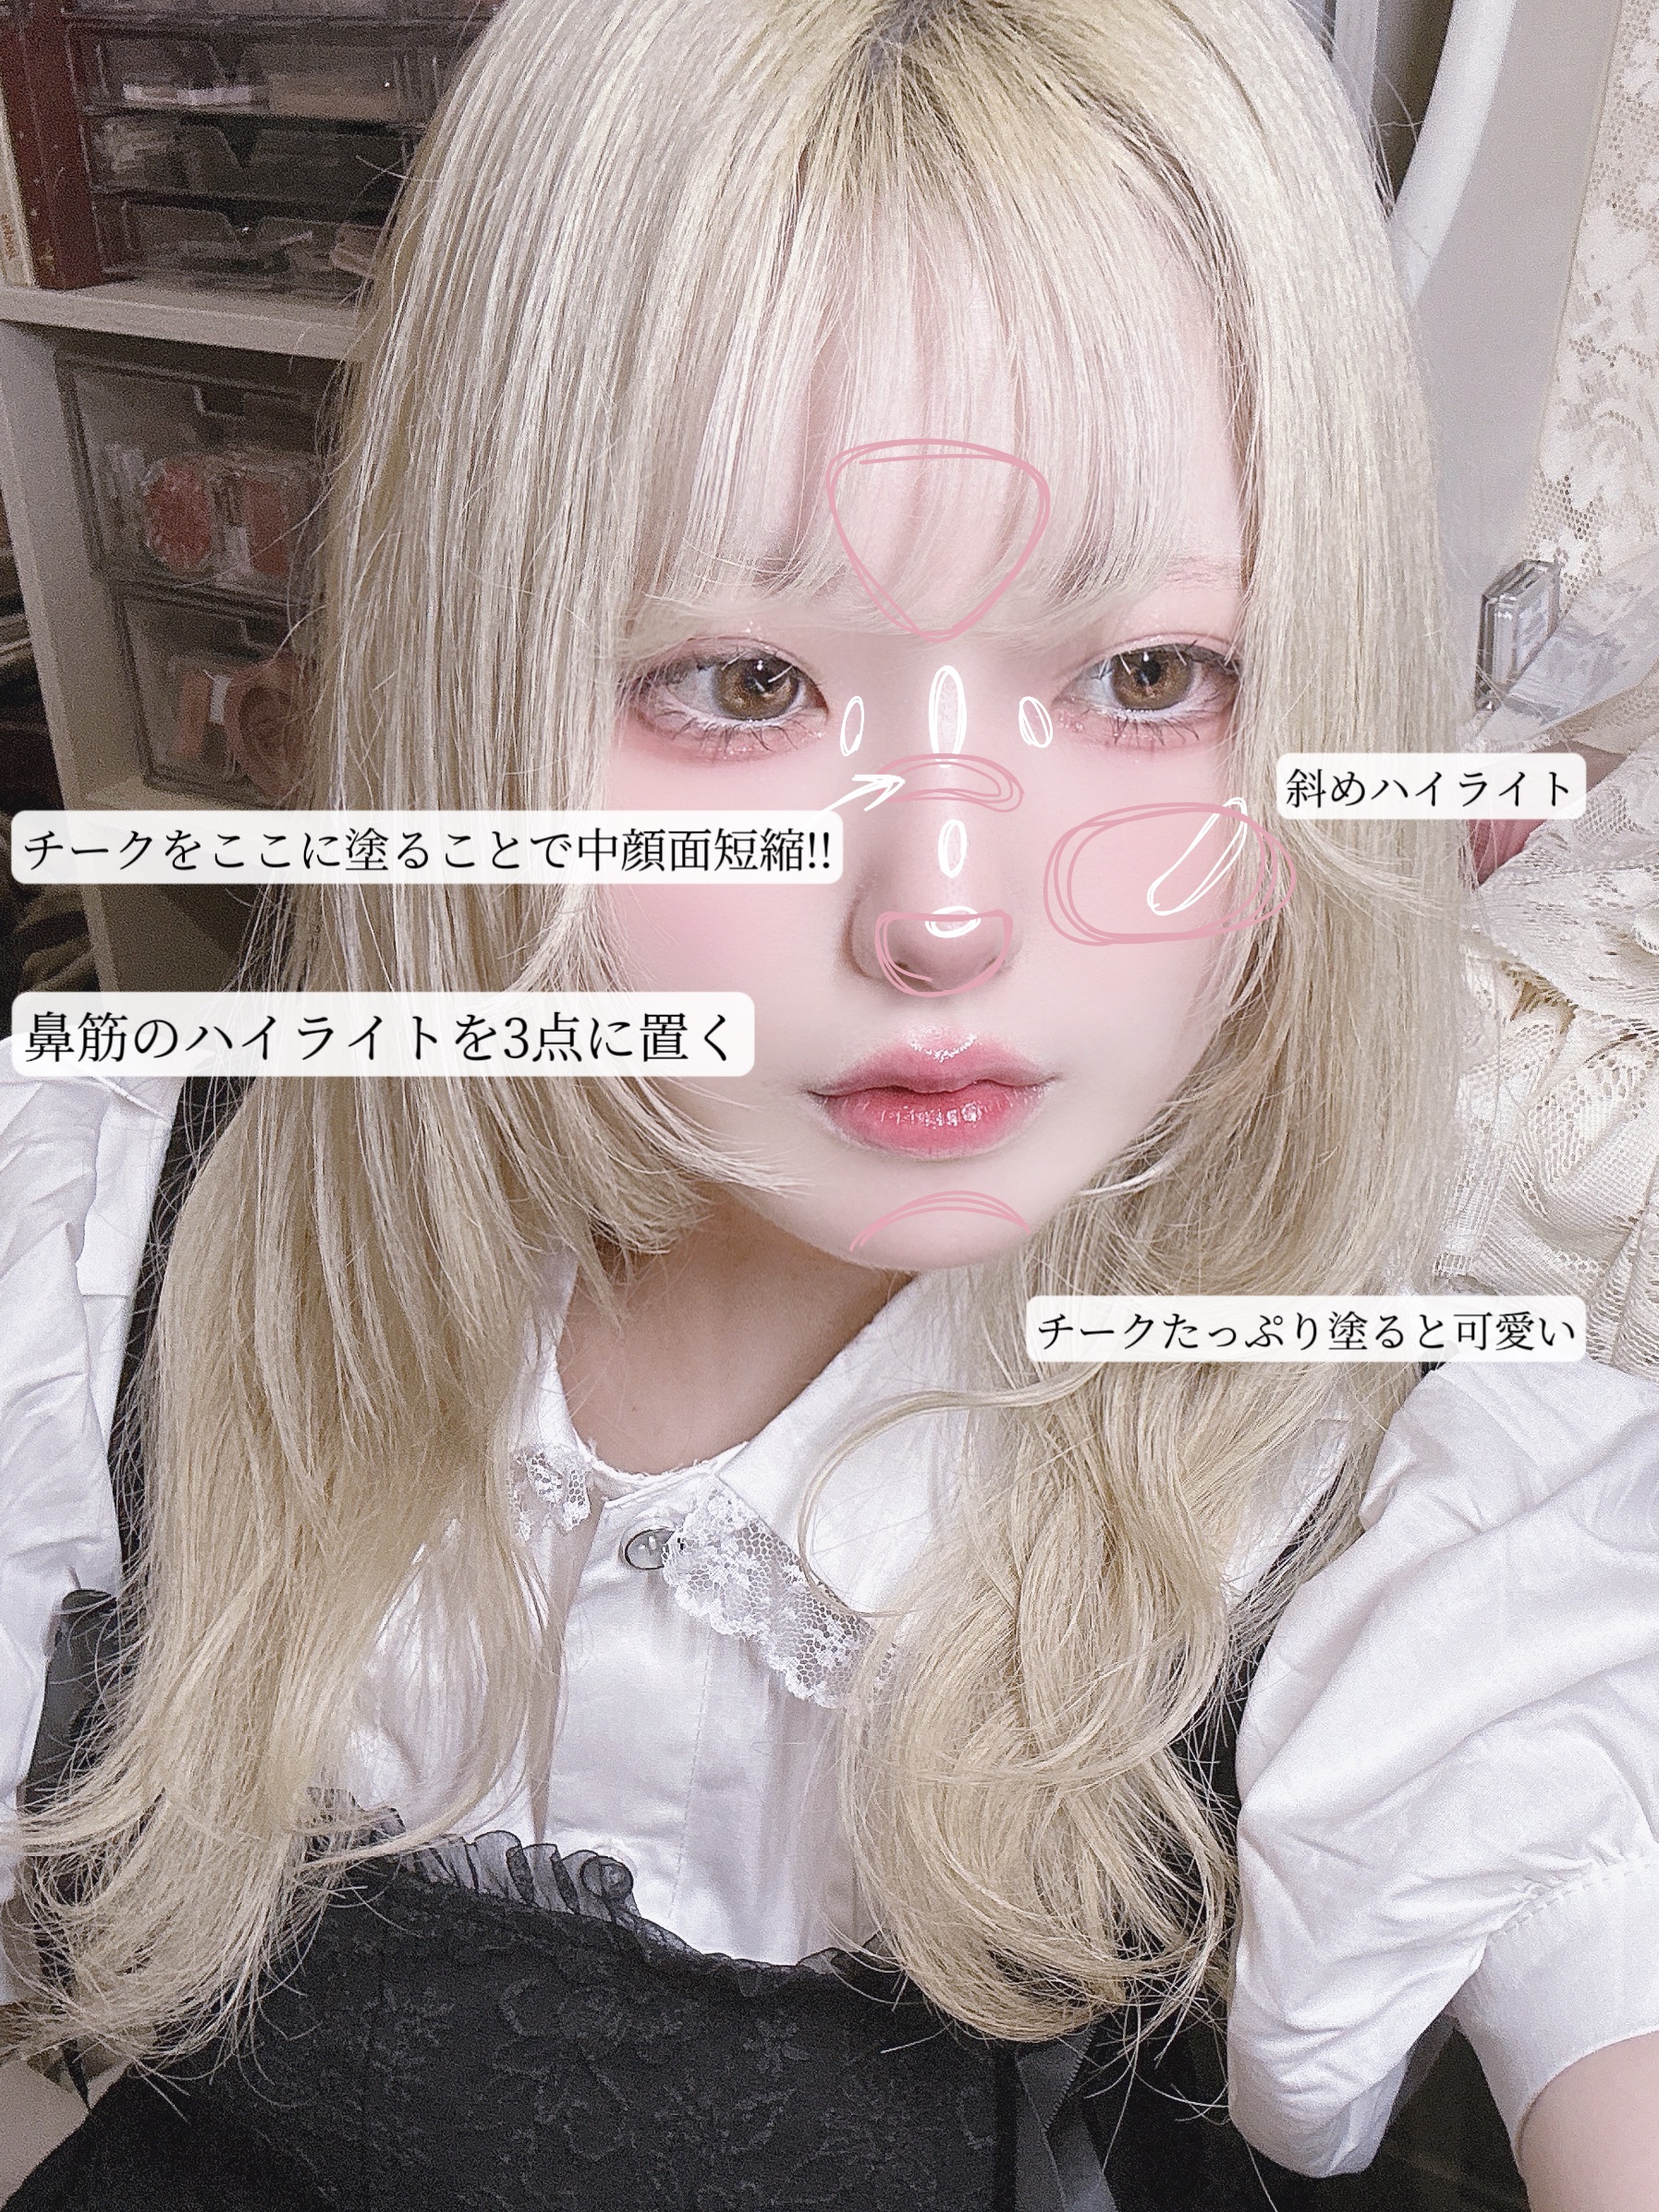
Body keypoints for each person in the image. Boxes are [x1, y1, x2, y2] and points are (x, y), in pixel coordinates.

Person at [2, 1, 1657, 2205]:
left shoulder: (1376, 1526)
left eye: (1146, 676)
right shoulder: (107, 1256)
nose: (944, 914)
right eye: (747, 683)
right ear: (467, 687)